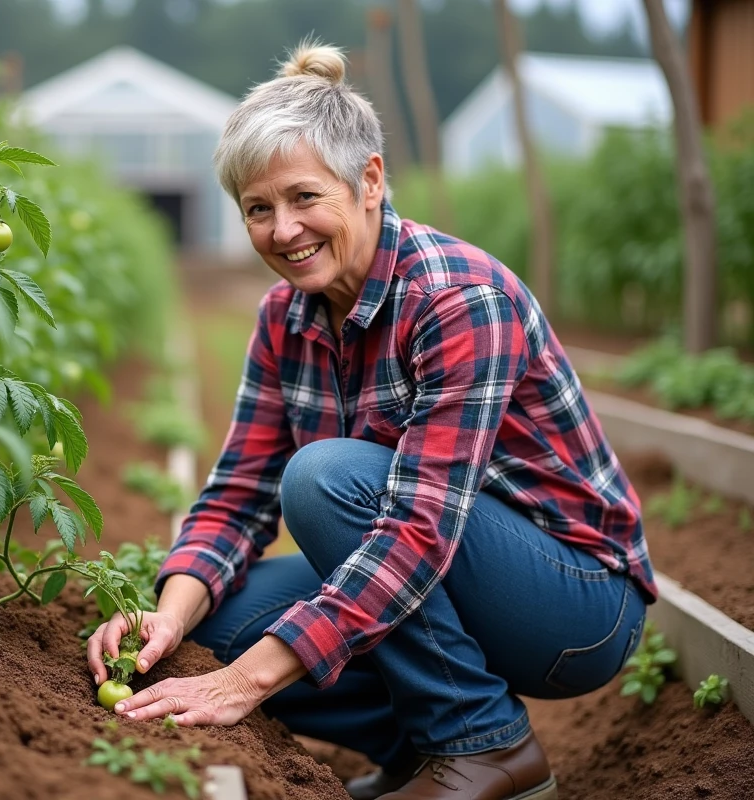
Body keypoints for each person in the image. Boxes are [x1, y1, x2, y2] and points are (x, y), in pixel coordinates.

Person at [86, 41, 655, 800]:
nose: (283, 230)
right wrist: (168, 616)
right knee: (216, 630)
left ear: (370, 182)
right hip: (448, 569)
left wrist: (246, 685)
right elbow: (237, 493)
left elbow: (419, 530)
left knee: (326, 479)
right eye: (259, 209)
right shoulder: (284, 316)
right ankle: (418, 750)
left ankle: (487, 748)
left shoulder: (459, 300)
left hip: (574, 604)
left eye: (304, 198)